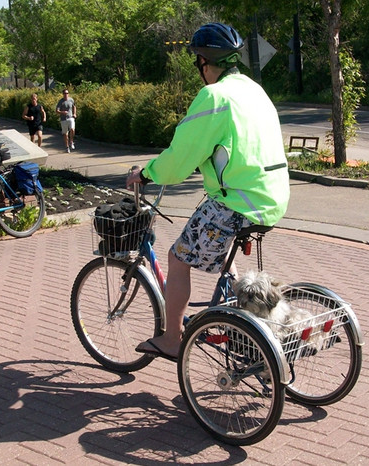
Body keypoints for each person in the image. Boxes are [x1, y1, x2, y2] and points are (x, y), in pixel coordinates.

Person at [126, 22, 290, 361]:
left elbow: (181, 156)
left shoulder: (214, 97)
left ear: (203, 61)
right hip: (270, 197)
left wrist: (147, 173)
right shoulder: (254, 91)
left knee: (176, 258)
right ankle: (234, 322)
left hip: (237, 202)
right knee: (221, 257)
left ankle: (172, 339)